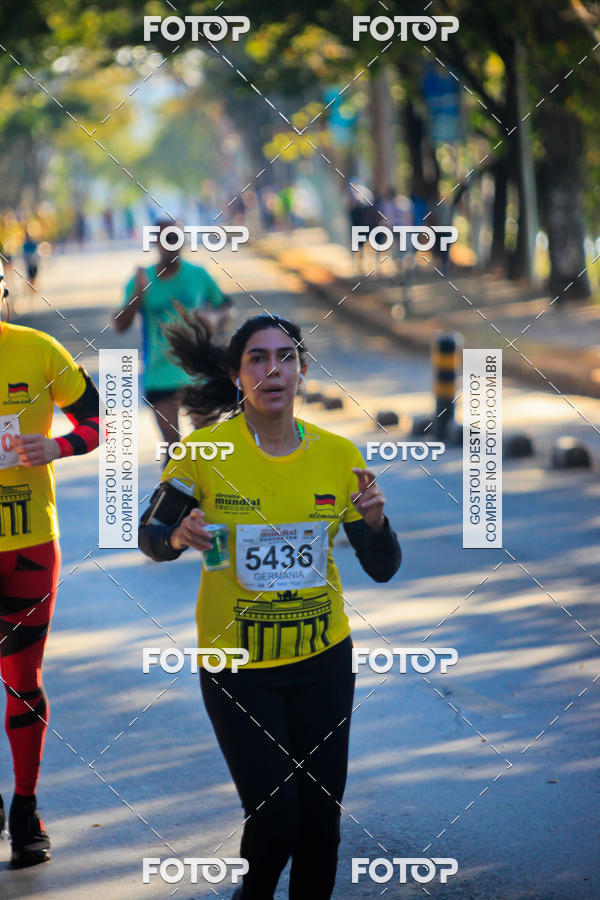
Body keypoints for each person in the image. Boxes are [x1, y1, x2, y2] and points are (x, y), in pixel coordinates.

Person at [138, 312, 402, 899]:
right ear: (237, 376)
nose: (273, 369)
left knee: (321, 829)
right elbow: (150, 534)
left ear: (303, 371)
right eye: (257, 358)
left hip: (323, 661)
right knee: (277, 819)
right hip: (238, 668)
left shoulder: (337, 455)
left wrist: (376, 523)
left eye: (286, 357)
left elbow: (383, 567)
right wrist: (178, 536)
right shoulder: (204, 454)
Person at [0, 262, 100, 866]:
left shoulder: (39, 351)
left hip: (30, 543)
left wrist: (56, 445)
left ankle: (25, 806)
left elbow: (96, 421)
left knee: (22, 681)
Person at [113, 219, 234, 449]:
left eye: (177, 238)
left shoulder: (199, 275)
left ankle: (210, 486)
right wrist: (138, 293)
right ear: (155, 243)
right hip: (160, 374)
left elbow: (226, 306)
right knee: (173, 450)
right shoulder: (143, 279)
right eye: (166, 239)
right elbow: (120, 325)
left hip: (199, 371)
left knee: (209, 447)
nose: (172, 244)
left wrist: (214, 318)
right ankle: (176, 485)